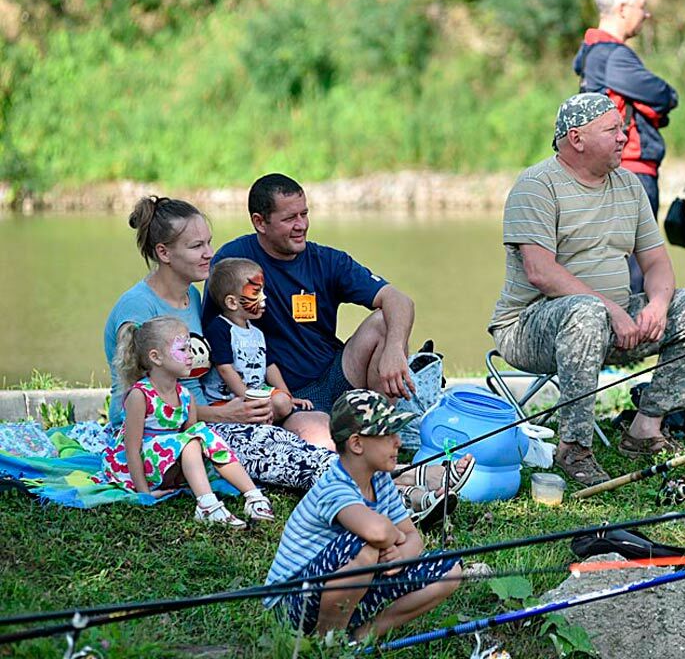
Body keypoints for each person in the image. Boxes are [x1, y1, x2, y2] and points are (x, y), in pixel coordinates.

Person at [104, 195, 460, 505]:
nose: (210, 253)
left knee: (288, 448)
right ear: (164, 253)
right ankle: (402, 486)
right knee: (294, 455)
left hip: (208, 419)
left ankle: (402, 476)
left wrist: (241, 406)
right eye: (197, 246)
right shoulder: (138, 310)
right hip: (172, 435)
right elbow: (139, 405)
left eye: (208, 242)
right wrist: (227, 414)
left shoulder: (191, 297)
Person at [488, 93, 685, 486]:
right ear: (576, 139)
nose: (623, 137)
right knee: (586, 312)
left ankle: (645, 428)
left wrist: (659, 304)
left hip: (610, 322)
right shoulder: (536, 185)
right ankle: (574, 448)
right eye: (612, 129)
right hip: (528, 328)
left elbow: (657, 263)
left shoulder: (628, 185)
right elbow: (540, 271)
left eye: (622, 128)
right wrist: (611, 310)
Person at [204, 173, 417, 444]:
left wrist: (395, 350)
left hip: (336, 372)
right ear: (260, 222)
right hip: (287, 396)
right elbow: (213, 337)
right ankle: (364, 448)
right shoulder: (232, 263)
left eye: (304, 214)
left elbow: (399, 299)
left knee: (384, 322)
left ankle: (377, 432)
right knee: (326, 443)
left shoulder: (327, 260)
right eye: (289, 218)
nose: (301, 225)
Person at [263, 389, 461, 639]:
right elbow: (377, 532)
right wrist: (393, 537)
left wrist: (398, 555)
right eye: (387, 434)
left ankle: (363, 635)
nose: (398, 441)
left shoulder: (380, 480)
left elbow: (415, 538)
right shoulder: (333, 487)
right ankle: (327, 641)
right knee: (364, 546)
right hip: (292, 604)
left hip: (351, 586)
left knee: (450, 569)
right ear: (357, 443)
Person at [102, 316, 274, 529]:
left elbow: (194, 437)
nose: (191, 356)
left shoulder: (185, 396)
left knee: (201, 434)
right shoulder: (140, 395)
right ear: (155, 357)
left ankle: (253, 495)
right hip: (139, 469)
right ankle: (207, 506)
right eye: (183, 350)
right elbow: (132, 449)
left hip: (168, 465)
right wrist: (143, 493)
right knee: (192, 441)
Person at [574, 0, 678, 293]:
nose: (646, 15)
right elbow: (664, 95)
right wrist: (663, 101)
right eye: (642, 7)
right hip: (631, 170)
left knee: (613, 262)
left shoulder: (591, 53)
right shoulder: (613, 55)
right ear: (622, 8)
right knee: (635, 268)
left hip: (611, 169)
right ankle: (631, 338)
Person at [202, 257, 326, 442]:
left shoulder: (257, 332)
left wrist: (288, 396)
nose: (264, 298)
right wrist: (248, 398)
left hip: (257, 394)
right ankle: (253, 424)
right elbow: (225, 369)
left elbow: (269, 366)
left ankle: (258, 421)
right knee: (258, 411)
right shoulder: (220, 328)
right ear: (232, 303)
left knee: (282, 403)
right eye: (256, 293)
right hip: (228, 401)